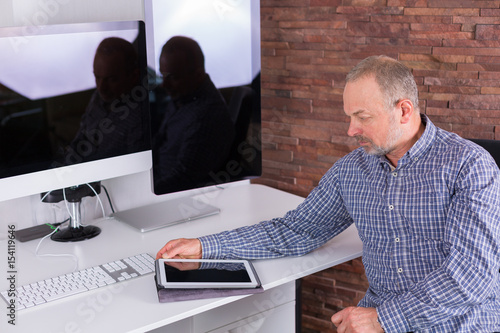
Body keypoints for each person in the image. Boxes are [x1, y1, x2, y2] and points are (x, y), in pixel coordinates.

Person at [156, 55, 500, 332]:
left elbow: (470, 278)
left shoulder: (469, 166)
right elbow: (296, 230)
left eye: (362, 117)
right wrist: (207, 249)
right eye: (349, 116)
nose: (352, 130)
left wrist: (381, 319)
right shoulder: (353, 170)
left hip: (459, 323)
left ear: (404, 111)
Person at [151, 36, 235, 194]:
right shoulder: (183, 96)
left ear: (197, 74)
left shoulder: (206, 116)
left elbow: (184, 179)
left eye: (173, 78)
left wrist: (145, 192)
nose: (165, 85)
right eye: (163, 76)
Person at [67, 37, 146, 163]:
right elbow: (80, 141)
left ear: (134, 76)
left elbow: (134, 167)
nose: (101, 88)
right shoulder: (98, 97)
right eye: (97, 77)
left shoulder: (141, 115)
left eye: (111, 79)